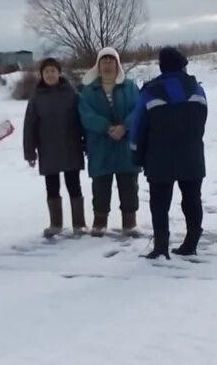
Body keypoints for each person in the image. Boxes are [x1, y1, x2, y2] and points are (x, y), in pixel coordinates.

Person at [131, 47, 208, 259]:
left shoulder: (150, 91)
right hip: (191, 152)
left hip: (159, 155)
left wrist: (136, 153)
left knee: (159, 204)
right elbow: (203, 119)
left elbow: (138, 125)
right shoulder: (196, 88)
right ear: (183, 65)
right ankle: (191, 242)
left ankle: (160, 247)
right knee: (192, 198)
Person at [79, 46, 141, 237]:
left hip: (125, 144)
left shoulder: (130, 87)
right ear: (98, 65)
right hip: (100, 145)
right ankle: (99, 222)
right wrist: (106, 127)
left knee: (129, 185)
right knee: (100, 186)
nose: (107, 65)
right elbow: (86, 115)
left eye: (111, 61)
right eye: (103, 61)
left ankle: (129, 223)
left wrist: (125, 127)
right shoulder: (89, 91)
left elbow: (138, 110)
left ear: (117, 64)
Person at [23, 57, 86, 237]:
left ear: (59, 73)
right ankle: (56, 224)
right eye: (46, 72)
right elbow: (30, 126)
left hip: (70, 145)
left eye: (53, 71)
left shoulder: (71, 94)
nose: (50, 74)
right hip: (47, 148)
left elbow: (83, 118)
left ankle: (79, 224)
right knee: (52, 186)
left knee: (74, 184)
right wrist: (29, 152)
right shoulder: (36, 98)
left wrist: (86, 143)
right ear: (41, 75)